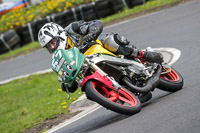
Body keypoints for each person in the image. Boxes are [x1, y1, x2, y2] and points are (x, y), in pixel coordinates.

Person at [38, 20, 163, 93]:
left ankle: (143, 54)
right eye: (48, 47)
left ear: (59, 35)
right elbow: (66, 75)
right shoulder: (59, 57)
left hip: (98, 46)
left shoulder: (72, 29)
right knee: (86, 89)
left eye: (52, 43)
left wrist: (91, 34)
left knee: (112, 41)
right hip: (88, 65)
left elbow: (96, 24)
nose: (52, 48)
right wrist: (67, 84)